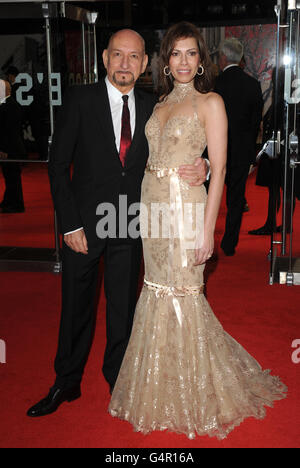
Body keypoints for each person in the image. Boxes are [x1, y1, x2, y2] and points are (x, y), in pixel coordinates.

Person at [109, 22, 287, 440]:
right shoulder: (158, 104)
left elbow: (220, 167)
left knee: (184, 293)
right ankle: (160, 381)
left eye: (192, 54)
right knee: (154, 287)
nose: (184, 61)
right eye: (176, 54)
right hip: (152, 208)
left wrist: (208, 230)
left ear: (201, 60)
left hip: (185, 209)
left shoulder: (211, 102)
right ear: (165, 61)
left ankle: (192, 390)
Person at [27, 29, 208, 418]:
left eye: (134, 57)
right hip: (84, 227)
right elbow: (57, 166)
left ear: (145, 63)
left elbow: (182, 148)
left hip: (131, 223)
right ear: (105, 59)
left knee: (123, 309)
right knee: (76, 306)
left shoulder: (154, 107)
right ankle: (66, 381)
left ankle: (120, 380)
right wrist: (70, 224)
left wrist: (204, 164)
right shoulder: (79, 100)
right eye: (118, 55)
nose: (125, 64)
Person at [215, 37, 264, 256]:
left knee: (208, 198)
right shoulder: (252, 85)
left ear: (223, 58)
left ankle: (203, 238)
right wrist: (251, 152)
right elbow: (255, 124)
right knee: (236, 200)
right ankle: (229, 243)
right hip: (241, 151)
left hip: (215, 151)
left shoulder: (213, 85)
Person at [0, 79, 26, 213]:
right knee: (9, 176)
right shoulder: (7, 104)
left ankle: (16, 204)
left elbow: (10, 131)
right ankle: (9, 201)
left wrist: (4, 150)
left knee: (13, 177)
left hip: (11, 148)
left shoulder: (10, 106)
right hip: (10, 147)